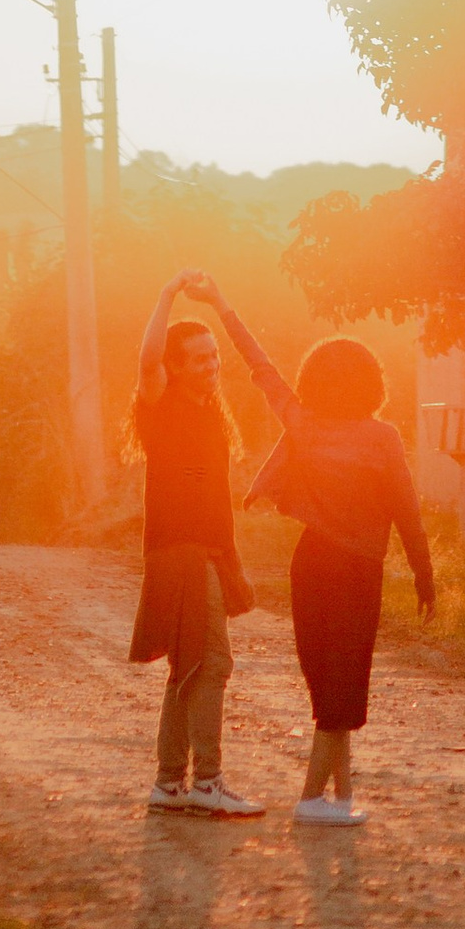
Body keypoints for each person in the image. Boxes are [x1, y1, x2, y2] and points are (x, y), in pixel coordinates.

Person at [181, 272, 434, 827]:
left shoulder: (304, 422)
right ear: (373, 380)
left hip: (312, 564)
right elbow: (408, 512)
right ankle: (314, 798)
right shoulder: (382, 437)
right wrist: (424, 574)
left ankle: (338, 796)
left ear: (313, 379)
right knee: (343, 682)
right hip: (355, 572)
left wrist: (223, 303)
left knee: (330, 682)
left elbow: (258, 363)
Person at [125, 275, 266, 816]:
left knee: (188, 665)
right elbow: (146, 361)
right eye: (199, 359)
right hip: (178, 550)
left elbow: (214, 499)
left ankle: (168, 783)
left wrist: (231, 561)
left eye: (214, 358)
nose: (211, 366)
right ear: (174, 367)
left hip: (203, 551)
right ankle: (207, 783)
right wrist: (164, 297)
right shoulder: (160, 407)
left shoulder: (211, 412)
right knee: (212, 662)